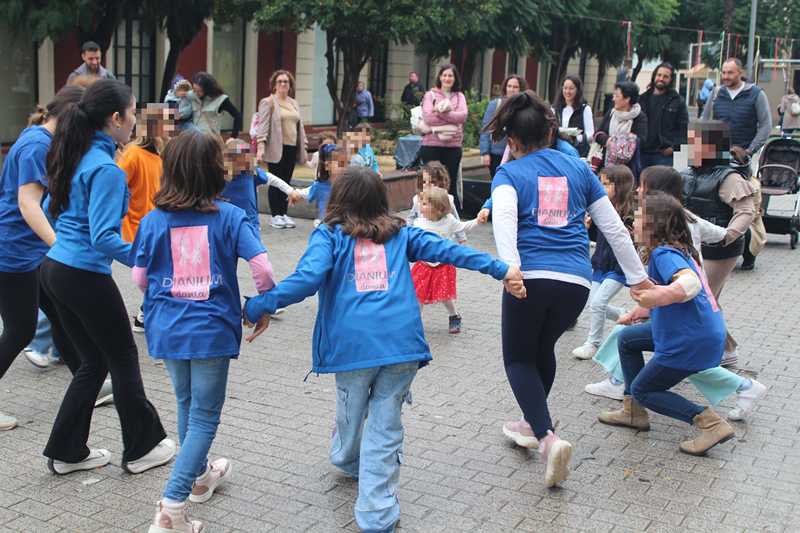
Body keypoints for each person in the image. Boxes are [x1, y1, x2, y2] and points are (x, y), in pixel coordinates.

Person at [243, 166, 525, 533]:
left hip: (352, 347)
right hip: (401, 345)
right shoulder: (402, 233)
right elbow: (451, 252)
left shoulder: (328, 235)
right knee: (384, 424)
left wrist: (257, 306)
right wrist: (501, 268)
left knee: (352, 410)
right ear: (380, 198)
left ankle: (355, 475)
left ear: (338, 198)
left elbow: (307, 280)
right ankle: (374, 507)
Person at [484, 90, 650, 486]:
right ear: (549, 132)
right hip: (576, 284)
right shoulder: (579, 169)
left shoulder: (509, 174)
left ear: (513, 141)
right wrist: (639, 279)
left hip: (531, 277)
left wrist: (512, 270)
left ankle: (547, 439)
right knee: (542, 349)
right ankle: (532, 421)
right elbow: (613, 228)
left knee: (518, 359)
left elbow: (503, 222)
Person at [135, 131, 276, 533]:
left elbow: (139, 277)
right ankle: (171, 507)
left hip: (167, 326)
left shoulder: (153, 219)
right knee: (204, 418)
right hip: (211, 327)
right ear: (215, 171)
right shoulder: (230, 216)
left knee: (186, 403)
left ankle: (199, 478)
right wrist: (261, 305)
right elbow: (263, 269)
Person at [40, 79, 174, 474]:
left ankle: (67, 451)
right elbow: (103, 238)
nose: (134, 123)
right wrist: (146, 258)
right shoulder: (106, 169)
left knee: (93, 361)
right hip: (81, 274)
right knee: (123, 355)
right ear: (115, 119)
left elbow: (50, 207)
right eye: (132, 114)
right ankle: (142, 448)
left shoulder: (75, 154)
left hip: (55, 270)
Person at [598, 192, 735, 456]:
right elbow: (675, 298)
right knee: (626, 339)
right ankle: (632, 412)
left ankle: (710, 423)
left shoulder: (663, 254)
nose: (633, 222)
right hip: (700, 332)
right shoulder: (680, 250)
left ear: (654, 224)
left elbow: (689, 285)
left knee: (645, 388)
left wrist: (658, 296)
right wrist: (641, 310)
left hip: (689, 340)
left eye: (638, 218)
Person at [0, 86, 86, 430]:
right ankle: (88, 377)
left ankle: (87, 379)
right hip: (14, 252)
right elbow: (27, 203)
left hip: (28, 251)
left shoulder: (37, 137)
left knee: (61, 313)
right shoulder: (37, 145)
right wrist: (58, 245)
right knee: (20, 329)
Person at [682, 120, 755, 367]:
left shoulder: (729, 177)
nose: (689, 146)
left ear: (712, 147)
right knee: (706, 300)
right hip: (694, 246)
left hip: (719, 250)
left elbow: (746, 210)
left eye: (695, 141)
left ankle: (713, 351)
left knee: (701, 299)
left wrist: (727, 234)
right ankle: (726, 349)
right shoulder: (689, 170)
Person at [119, 103, 179, 332]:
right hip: (136, 226)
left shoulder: (160, 155)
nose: (171, 127)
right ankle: (149, 314)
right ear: (154, 125)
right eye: (167, 122)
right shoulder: (133, 154)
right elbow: (116, 184)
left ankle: (145, 314)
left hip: (156, 224)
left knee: (162, 270)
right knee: (159, 271)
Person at [572, 165, 635, 360]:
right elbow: (593, 237)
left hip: (618, 268)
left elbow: (635, 240)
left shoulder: (631, 212)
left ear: (621, 186)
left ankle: (593, 343)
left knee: (598, 303)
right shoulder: (600, 207)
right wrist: (587, 226)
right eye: (600, 183)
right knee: (593, 303)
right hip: (600, 263)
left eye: (606, 184)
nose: (601, 187)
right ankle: (623, 315)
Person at [411, 186, 484, 333]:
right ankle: (415, 322)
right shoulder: (418, 223)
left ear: (437, 208)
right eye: (421, 203)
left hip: (443, 265)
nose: (420, 206)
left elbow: (464, 226)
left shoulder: (449, 221)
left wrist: (477, 220)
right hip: (423, 265)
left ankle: (454, 316)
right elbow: (411, 240)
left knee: (444, 295)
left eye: (424, 204)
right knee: (418, 295)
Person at [253, 70, 308, 230]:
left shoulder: (293, 103)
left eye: (286, 82)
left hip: (291, 147)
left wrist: (303, 146)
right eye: (280, 81)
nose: (283, 84)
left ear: (290, 85)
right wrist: (261, 146)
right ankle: (275, 215)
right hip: (276, 147)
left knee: (287, 180)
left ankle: (283, 213)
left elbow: (300, 127)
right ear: (274, 84)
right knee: (276, 181)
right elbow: (262, 126)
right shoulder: (268, 102)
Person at [222, 138, 301, 234]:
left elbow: (272, 179)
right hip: (227, 223)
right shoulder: (220, 175)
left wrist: (290, 190)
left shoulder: (250, 173)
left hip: (249, 222)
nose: (244, 163)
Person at [419, 64, 468, 212]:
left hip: (453, 147)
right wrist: (451, 119)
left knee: (450, 183)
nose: (447, 78)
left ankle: (448, 215)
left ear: (455, 78)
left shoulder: (460, 96)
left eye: (450, 76)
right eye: (444, 75)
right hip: (431, 146)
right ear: (440, 77)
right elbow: (428, 117)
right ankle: (428, 213)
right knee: (430, 182)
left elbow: (463, 116)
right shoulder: (430, 95)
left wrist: (439, 112)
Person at [594, 81, 647, 180]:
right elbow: (598, 134)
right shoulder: (611, 113)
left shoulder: (639, 117)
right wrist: (608, 141)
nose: (613, 99)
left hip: (627, 169)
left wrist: (618, 144)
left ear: (627, 99)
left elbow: (641, 141)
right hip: (605, 165)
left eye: (617, 96)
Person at [639, 62, 689, 168]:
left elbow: (684, 130)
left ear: (671, 79)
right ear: (654, 76)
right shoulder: (642, 99)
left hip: (664, 155)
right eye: (659, 75)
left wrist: (673, 148)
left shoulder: (677, 101)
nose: (661, 78)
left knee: (661, 184)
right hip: (642, 153)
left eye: (665, 76)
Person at [480, 74, 526, 177]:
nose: (512, 89)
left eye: (515, 87)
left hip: (517, 153)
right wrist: (485, 152)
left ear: (521, 89)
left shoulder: (525, 107)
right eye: (509, 86)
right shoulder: (495, 104)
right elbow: (486, 129)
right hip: (497, 153)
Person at [295, 143, 346, 226]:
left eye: (347, 163)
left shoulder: (350, 186)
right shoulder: (320, 186)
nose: (344, 167)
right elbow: (307, 191)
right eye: (340, 163)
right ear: (327, 165)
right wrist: (295, 193)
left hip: (345, 230)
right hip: (326, 229)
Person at [190, 72, 242, 138]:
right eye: (194, 90)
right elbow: (175, 105)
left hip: (210, 141)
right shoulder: (191, 95)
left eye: (200, 91)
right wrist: (172, 129)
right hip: (193, 140)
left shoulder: (220, 99)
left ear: (207, 89)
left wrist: (233, 137)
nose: (196, 93)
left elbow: (238, 116)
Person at [553, 75, 595, 157]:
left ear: (577, 90)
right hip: (558, 151)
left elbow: (590, 134)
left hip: (578, 152)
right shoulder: (555, 109)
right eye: (565, 88)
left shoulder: (585, 109)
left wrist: (577, 138)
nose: (567, 91)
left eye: (571, 88)